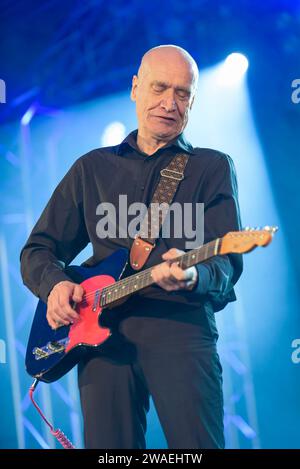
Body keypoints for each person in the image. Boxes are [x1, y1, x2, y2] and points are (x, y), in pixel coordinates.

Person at [20, 45, 243, 449]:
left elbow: (227, 264)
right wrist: (54, 285)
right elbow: (38, 249)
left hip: (181, 330)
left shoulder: (211, 168)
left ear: (193, 101)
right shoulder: (92, 167)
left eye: (182, 94)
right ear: (135, 88)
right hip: (101, 338)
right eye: (159, 88)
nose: (169, 103)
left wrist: (194, 274)